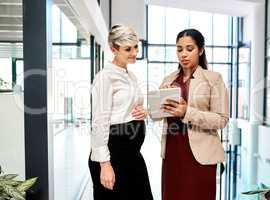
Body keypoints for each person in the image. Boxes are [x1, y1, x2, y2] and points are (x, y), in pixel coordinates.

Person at [159, 29, 229, 200]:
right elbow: (159, 116)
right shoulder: (168, 79)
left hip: (200, 156)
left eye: (189, 49)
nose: (183, 54)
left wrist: (187, 112)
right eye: (179, 49)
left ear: (201, 50)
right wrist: (158, 104)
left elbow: (221, 119)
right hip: (173, 153)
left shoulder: (213, 79)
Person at [88, 24, 153, 200]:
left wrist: (143, 112)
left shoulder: (130, 76)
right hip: (113, 154)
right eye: (128, 49)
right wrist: (104, 164)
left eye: (136, 47)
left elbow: (128, 107)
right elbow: (99, 122)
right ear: (113, 49)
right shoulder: (105, 78)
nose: (134, 53)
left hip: (132, 154)